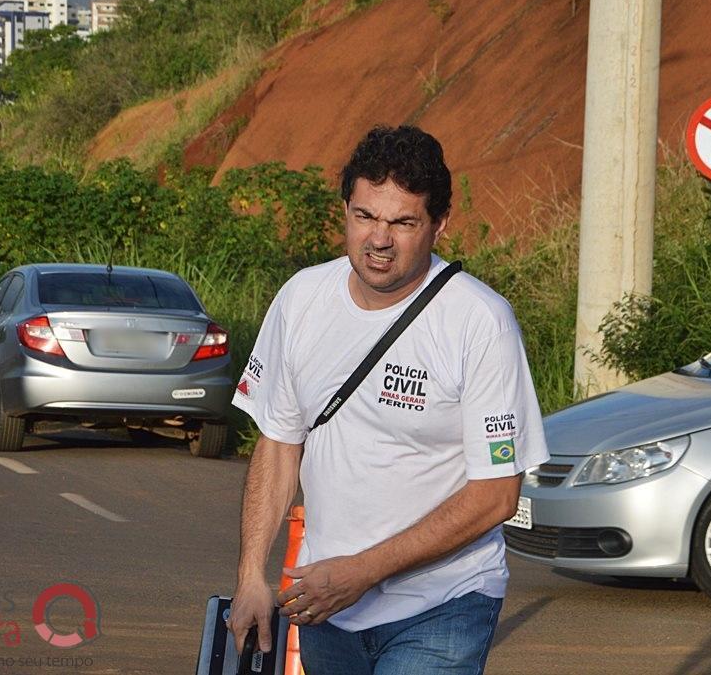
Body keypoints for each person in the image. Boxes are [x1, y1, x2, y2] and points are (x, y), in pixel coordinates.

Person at [227, 124, 549, 674]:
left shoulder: (480, 322)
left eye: (403, 222)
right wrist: (250, 575)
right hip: (326, 606)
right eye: (365, 216)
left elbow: (496, 495)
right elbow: (280, 442)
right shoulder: (301, 299)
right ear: (345, 210)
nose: (379, 239)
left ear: (438, 225)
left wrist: (363, 571)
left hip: (444, 604)